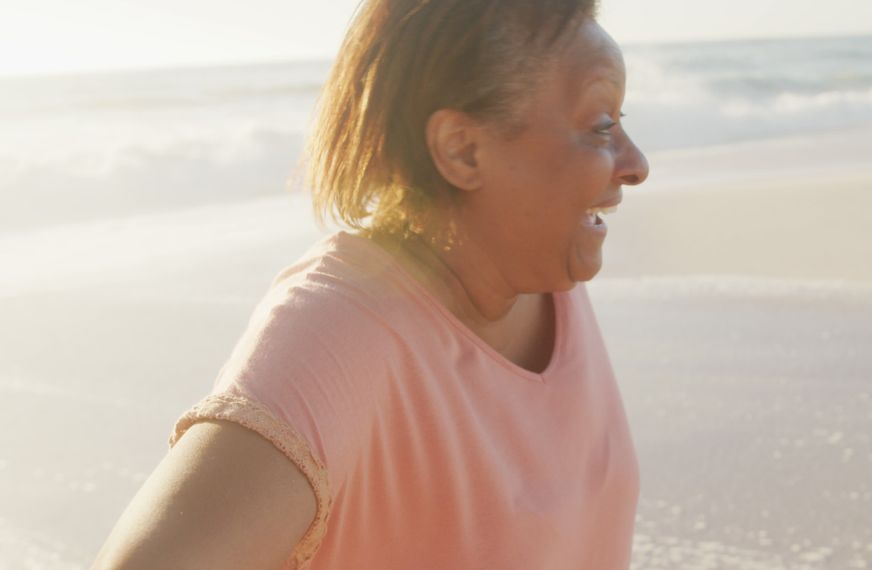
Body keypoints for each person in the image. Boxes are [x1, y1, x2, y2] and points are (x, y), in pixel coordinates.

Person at [92, 0, 649, 567]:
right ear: (462, 150)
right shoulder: (338, 329)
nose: (636, 163)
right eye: (600, 125)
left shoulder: (546, 273)